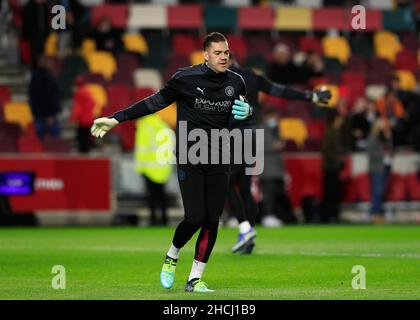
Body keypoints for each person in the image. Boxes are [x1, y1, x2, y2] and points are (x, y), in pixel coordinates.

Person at [91, 32, 252, 293]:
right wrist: (117, 118)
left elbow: (244, 111)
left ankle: (195, 279)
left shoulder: (237, 82)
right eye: (218, 53)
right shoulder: (185, 78)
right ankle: (172, 254)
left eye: (226, 53)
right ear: (205, 55)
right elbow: (153, 103)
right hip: (191, 156)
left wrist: (249, 111)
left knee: (212, 220)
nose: (223, 57)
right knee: (195, 217)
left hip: (221, 158)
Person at [226, 53, 331, 254]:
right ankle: (247, 232)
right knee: (244, 186)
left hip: (234, 136)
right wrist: (311, 96)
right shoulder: (253, 76)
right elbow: (280, 90)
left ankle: (245, 229)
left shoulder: (222, 78)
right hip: (251, 135)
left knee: (227, 182)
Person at [134, 113, 174, 226]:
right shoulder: (162, 125)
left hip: (148, 167)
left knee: (151, 196)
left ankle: (153, 220)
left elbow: (142, 148)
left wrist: (139, 167)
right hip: (162, 167)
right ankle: (164, 220)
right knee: (162, 196)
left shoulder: (144, 126)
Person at [320, 110, 346, 223]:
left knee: (334, 192)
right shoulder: (331, 132)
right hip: (330, 167)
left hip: (334, 167)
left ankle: (332, 215)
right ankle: (328, 216)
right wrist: (337, 158)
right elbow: (325, 150)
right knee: (330, 192)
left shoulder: (336, 132)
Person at [29, 54, 61, 140]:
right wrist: (49, 114)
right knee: (51, 139)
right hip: (45, 114)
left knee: (47, 139)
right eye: (48, 61)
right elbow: (46, 97)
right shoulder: (43, 77)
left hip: (41, 113)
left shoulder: (44, 76)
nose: (51, 64)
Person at [367, 118, 392, 224]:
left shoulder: (382, 138)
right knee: (377, 191)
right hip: (376, 167)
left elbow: (390, 148)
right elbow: (371, 154)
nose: (383, 127)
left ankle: (378, 213)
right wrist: (383, 154)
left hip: (384, 167)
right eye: (381, 125)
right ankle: (374, 213)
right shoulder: (372, 138)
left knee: (381, 192)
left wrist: (388, 138)